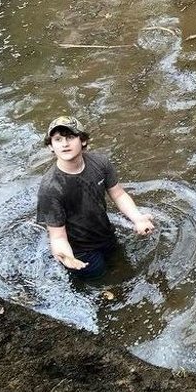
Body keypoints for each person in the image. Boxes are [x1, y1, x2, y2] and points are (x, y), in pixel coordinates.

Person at [36, 116, 155, 279]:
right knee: (101, 285)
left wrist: (138, 218)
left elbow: (118, 194)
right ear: (51, 146)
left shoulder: (100, 163)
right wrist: (68, 257)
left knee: (126, 272)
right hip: (80, 251)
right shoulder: (50, 188)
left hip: (106, 235)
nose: (64, 144)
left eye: (70, 137)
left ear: (83, 140)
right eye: (58, 139)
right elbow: (57, 236)